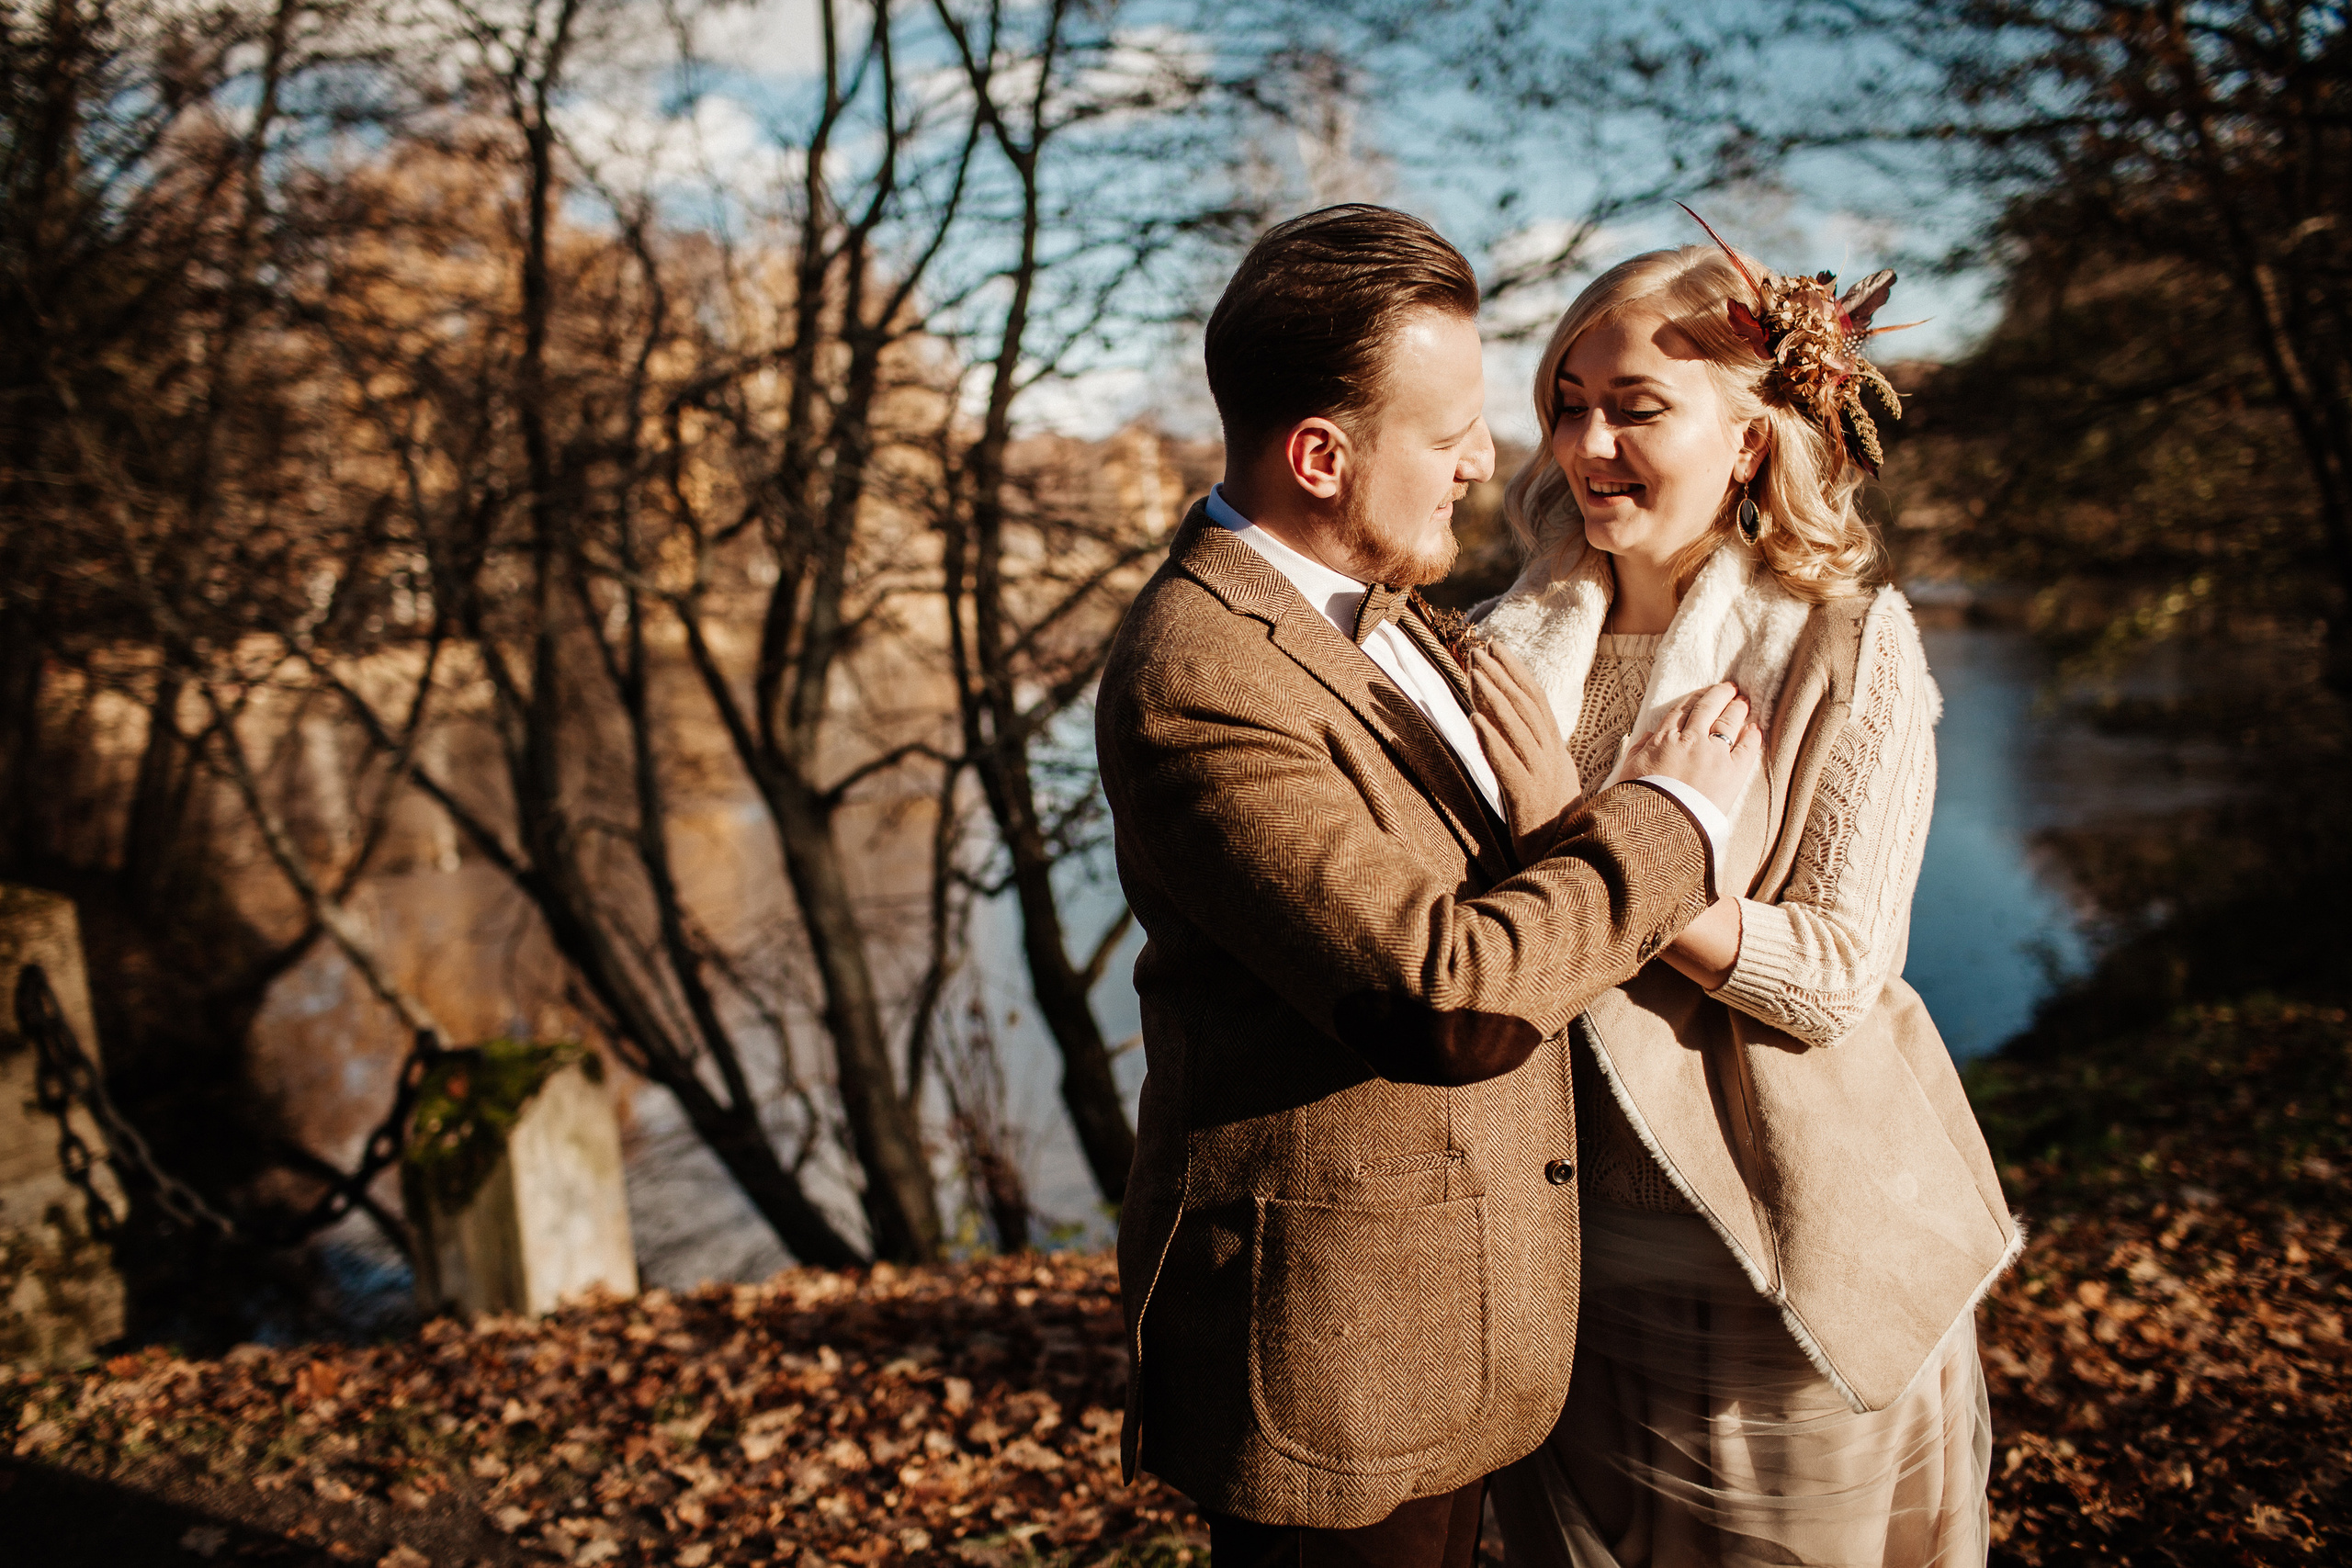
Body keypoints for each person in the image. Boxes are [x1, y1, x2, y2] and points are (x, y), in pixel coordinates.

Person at [1094, 204, 1762, 1568]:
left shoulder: (1400, 616)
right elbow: (1441, 1000)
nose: (1490, 457)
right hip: (1331, 1369)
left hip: (1470, 1339)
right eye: (1450, 427)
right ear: (1323, 456)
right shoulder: (1198, 671)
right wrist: (1666, 820)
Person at [1475, 226, 2021, 1567]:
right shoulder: (1499, 641)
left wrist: (1581, 840)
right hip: (1554, 1241)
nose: (1586, 444)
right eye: (1566, 404)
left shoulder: (1846, 643)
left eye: (1635, 409)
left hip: (1773, 1247)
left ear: (1753, 436)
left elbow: (1836, 974)